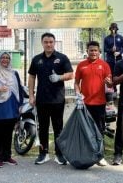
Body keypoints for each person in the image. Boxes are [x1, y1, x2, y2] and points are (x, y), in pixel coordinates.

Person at [28, 32, 74, 165]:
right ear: (42, 43)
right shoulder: (36, 59)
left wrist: (59, 77)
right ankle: (43, 154)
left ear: (54, 43)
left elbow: (71, 74)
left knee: (58, 127)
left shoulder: (62, 58)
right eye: (46, 42)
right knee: (42, 128)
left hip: (57, 100)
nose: (48, 44)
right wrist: (31, 95)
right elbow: (31, 77)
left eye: (51, 42)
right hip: (41, 100)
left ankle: (59, 154)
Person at [74, 41, 113, 166]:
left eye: (96, 50)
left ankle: (99, 155)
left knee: (99, 130)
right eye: (91, 50)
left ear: (99, 52)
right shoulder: (81, 65)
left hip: (100, 103)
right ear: (87, 51)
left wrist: (108, 82)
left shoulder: (105, 65)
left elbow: (110, 83)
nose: (93, 52)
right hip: (84, 104)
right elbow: (76, 83)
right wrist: (78, 95)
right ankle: (86, 154)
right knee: (85, 129)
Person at [0, 51, 24, 168]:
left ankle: (7, 156)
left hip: (12, 107)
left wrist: (20, 105)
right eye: (3, 57)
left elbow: (20, 90)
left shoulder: (14, 73)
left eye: (7, 58)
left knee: (8, 134)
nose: (5, 60)